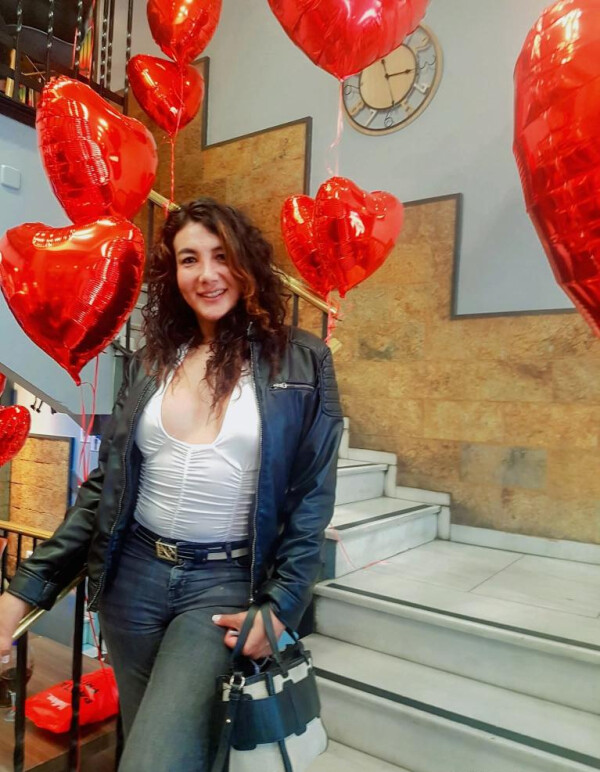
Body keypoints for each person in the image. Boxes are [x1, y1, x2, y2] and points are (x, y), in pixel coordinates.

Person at [0, 198, 343, 770]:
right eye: (189, 259)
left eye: (221, 256)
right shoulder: (153, 359)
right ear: (173, 273)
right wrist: (20, 595)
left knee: (155, 759)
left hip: (223, 585)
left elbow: (312, 498)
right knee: (149, 738)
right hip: (132, 580)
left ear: (247, 262)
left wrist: (281, 605)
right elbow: (105, 488)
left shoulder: (302, 361)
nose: (207, 274)